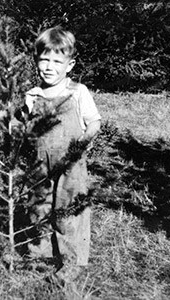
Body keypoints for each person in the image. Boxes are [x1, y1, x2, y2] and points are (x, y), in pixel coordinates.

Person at [24, 26, 101, 283]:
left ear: (69, 65)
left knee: (69, 212)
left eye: (57, 61)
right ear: (36, 60)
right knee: (38, 208)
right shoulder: (32, 96)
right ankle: (41, 254)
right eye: (44, 59)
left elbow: (94, 124)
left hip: (71, 164)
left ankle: (71, 261)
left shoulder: (78, 92)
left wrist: (82, 143)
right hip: (39, 163)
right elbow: (24, 128)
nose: (49, 66)